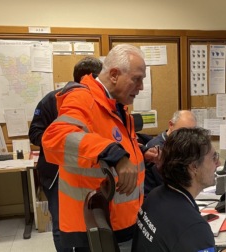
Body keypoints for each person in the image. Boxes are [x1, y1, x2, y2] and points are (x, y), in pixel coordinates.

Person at [42, 44, 146, 251]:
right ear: (114, 75)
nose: (141, 86)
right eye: (137, 78)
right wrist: (114, 154)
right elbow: (55, 138)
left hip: (121, 220)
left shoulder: (115, 105)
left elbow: (114, 144)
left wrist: (141, 156)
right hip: (92, 228)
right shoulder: (84, 98)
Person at [28, 56, 102, 252]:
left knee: (88, 222)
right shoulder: (51, 100)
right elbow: (34, 134)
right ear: (90, 77)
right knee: (62, 223)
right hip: (55, 173)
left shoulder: (100, 102)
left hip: (87, 171)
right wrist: (62, 141)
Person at [133, 127, 226, 252]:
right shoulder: (193, 227)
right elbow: (188, 236)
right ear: (194, 167)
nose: (218, 163)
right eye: (214, 157)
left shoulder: (156, 195)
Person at [144, 110, 197, 195]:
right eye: (182, 132)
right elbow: (167, 183)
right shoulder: (156, 148)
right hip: (158, 198)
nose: (187, 137)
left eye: (192, 133)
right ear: (171, 125)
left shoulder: (183, 144)